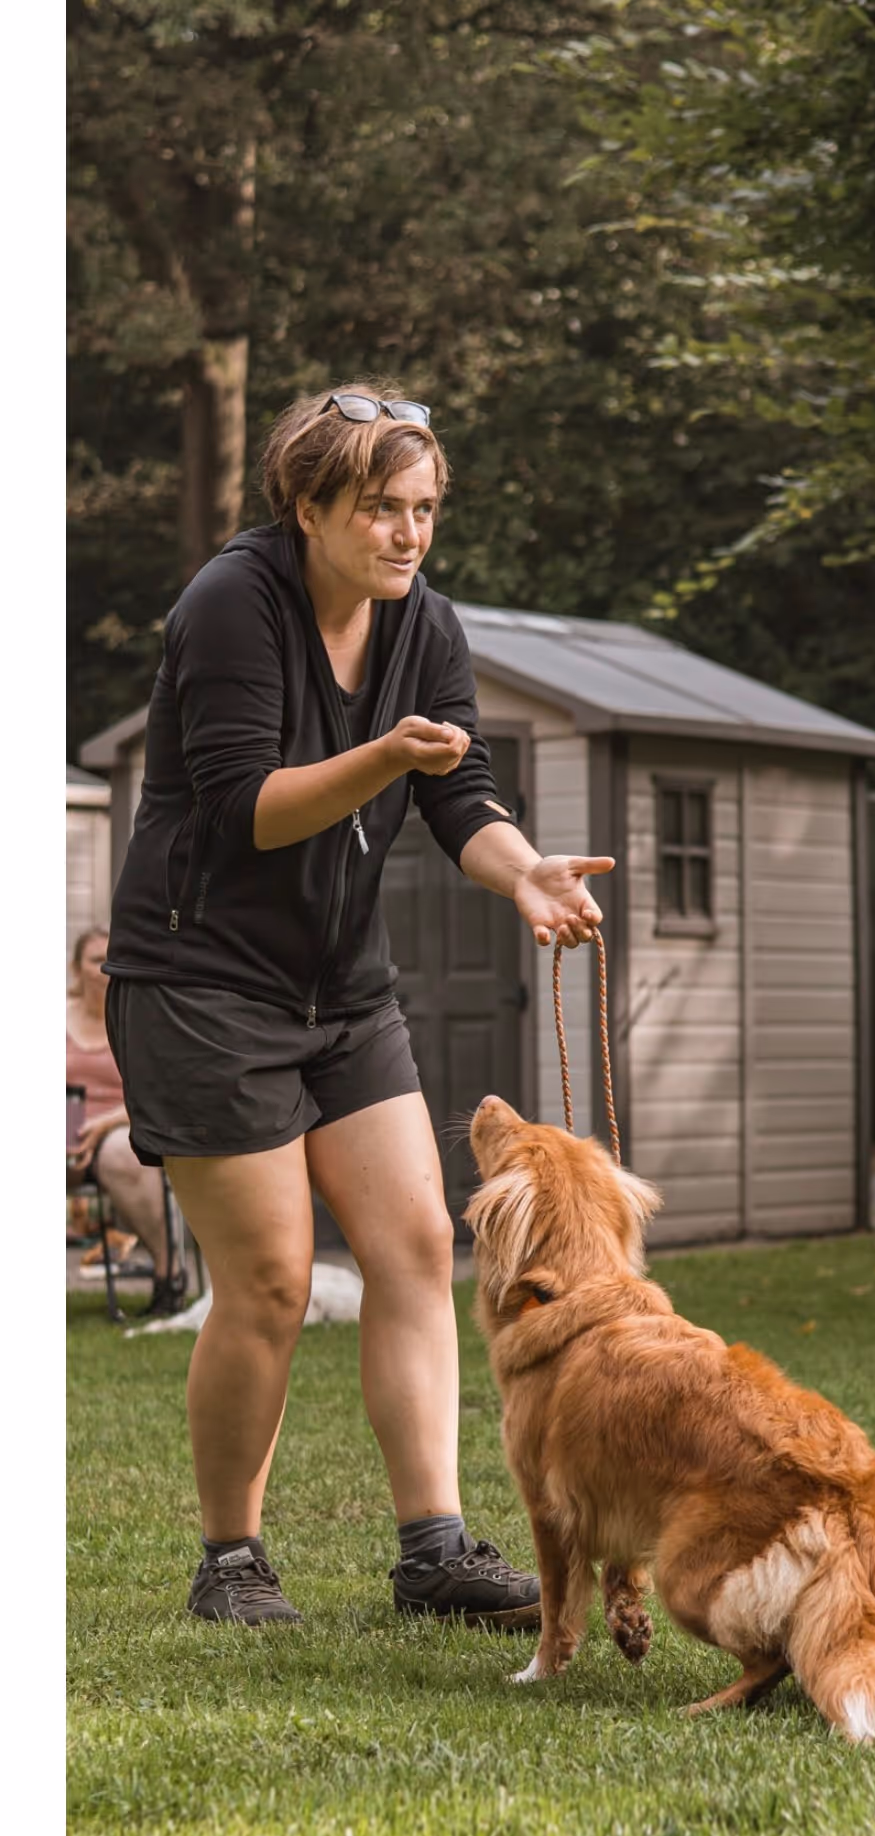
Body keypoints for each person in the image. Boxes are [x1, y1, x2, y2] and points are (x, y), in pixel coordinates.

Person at [101, 384, 614, 1627]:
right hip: (201, 982)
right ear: (309, 505)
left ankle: (433, 1550)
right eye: (382, 508)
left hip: (342, 988)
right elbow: (248, 808)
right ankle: (230, 1557)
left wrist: (522, 872)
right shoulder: (232, 602)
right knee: (273, 1276)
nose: (408, 533)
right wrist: (385, 753)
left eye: (424, 509)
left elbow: (460, 794)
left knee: (418, 1244)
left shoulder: (423, 622)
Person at [67, 924, 188, 1316]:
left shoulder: (140, 1019)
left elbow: (161, 1091)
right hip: (65, 1127)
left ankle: (169, 1272)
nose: (104, 968)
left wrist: (104, 1125)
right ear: (76, 968)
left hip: (123, 1125)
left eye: (111, 959)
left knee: (123, 1154)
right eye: (95, 960)